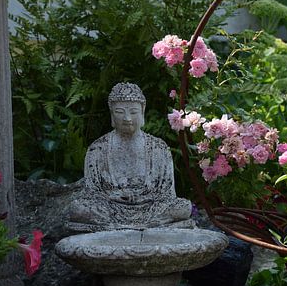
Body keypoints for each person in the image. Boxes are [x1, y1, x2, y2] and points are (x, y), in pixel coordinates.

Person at [67, 83, 193, 232]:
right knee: (79, 208)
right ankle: (142, 227)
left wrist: (142, 198)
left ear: (142, 111)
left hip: (150, 208)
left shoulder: (159, 148)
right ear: (112, 113)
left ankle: (126, 227)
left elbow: (167, 194)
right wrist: (114, 196)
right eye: (120, 112)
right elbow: (91, 193)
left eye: (133, 112)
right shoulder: (97, 149)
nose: (127, 118)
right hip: (110, 209)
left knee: (182, 207)